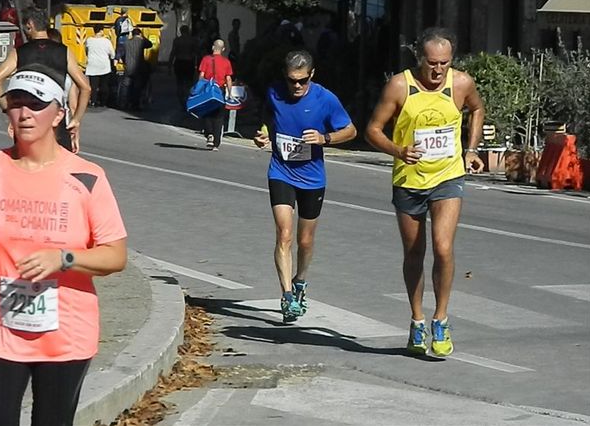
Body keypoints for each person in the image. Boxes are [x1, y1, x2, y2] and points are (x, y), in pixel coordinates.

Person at [0, 66, 127, 426]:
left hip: (66, 332)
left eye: (36, 105)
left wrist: (64, 258)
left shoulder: (86, 177)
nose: (24, 113)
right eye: (16, 104)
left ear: (58, 114)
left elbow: (116, 255)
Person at [365, 27, 484, 357]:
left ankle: (441, 319)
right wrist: (398, 150)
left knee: (443, 248)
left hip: (447, 176)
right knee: (415, 253)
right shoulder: (400, 85)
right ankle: (417, 320)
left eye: (444, 63)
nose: (437, 70)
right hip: (409, 180)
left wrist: (471, 150)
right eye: (432, 63)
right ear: (420, 59)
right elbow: (372, 130)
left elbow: (476, 109)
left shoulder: (460, 83)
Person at [253, 50, 357, 322]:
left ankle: (300, 281)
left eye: (302, 81)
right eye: (291, 81)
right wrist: (264, 135)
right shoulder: (275, 92)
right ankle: (287, 296)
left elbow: (351, 131)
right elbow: (269, 119)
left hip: (312, 178)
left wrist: (325, 138)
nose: (296, 86)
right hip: (281, 171)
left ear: (312, 74)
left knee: (305, 240)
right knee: (284, 234)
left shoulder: (325, 99)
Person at [0, 7, 91, 152]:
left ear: (30, 25)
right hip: (54, 118)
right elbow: (86, 87)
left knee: (26, 165)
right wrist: (76, 120)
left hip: (27, 121)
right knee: (58, 166)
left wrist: (9, 110)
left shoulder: (20, 52)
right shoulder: (63, 51)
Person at [47, 28, 81, 153]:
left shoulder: (35, 67)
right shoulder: (68, 71)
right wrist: (75, 132)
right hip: (62, 122)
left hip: (40, 124)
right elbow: (73, 106)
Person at [198, 39, 233, 151]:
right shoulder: (226, 62)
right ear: (223, 49)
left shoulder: (206, 59)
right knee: (219, 116)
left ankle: (209, 134)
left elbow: (201, 75)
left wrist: (200, 88)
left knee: (206, 113)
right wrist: (229, 93)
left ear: (213, 47)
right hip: (220, 90)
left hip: (208, 89)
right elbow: (228, 78)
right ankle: (216, 143)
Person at [168, 25, 199, 109]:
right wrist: (197, 65)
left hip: (179, 61)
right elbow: (196, 53)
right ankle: (187, 100)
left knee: (179, 83)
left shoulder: (177, 40)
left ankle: (182, 101)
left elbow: (173, 53)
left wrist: (169, 65)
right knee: (189, 83)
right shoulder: (192, 40)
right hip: (189, 62)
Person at [85, 24, 115, 107]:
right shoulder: (106, 41)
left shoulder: (89, 40)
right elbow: (112, 54)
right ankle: (103, 102)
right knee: (104, 85)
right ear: (101, 31)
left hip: (92, 66)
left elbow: (86, 51)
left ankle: (93, 101)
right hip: (104, 66)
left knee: (93, 86)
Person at [123, 28, 152, 110]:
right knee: (137, 87)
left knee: (127, 86)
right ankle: (135, 104)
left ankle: (125, 103)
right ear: (139, 34)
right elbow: (150, 44)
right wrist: (143, 37)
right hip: (138, 68)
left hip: (128, 67)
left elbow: (123, 53)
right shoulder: (141, 42)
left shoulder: (126, 42)